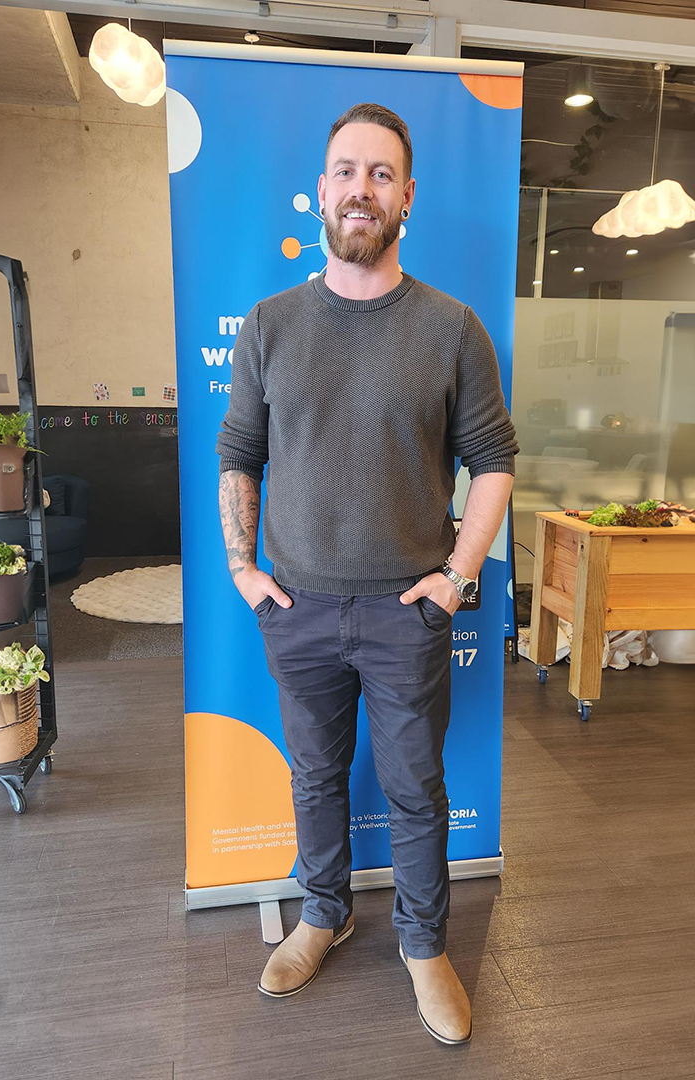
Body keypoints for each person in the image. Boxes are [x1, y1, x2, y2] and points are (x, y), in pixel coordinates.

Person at [215, 102, 519, 1046]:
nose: (361, 190)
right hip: (297, 606)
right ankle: (324, 914)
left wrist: (459, 577)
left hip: (405, 611)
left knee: (416, 789)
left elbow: (494, 458)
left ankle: (424, 947)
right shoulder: (269, 324)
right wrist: (240, 566)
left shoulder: (452, 328)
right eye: (347, 171)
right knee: (314, 776)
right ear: (322, 191)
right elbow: (239, 449)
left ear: (407, 198)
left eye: (381, 174)